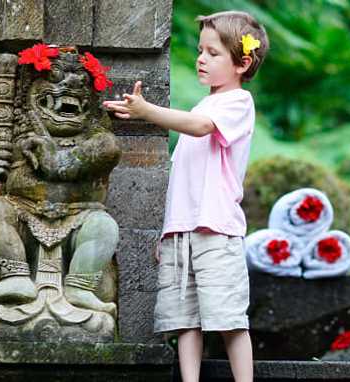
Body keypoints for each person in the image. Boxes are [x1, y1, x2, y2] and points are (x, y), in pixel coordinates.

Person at [103, 10, 268, 382]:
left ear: (243, 62)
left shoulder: (238, 102)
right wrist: (170, 231)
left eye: (213, 53)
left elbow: (200, 128)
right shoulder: (202, 105)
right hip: (184, 231)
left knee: (228, 318)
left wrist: (147, 111)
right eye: (200, 51)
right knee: (184, 319)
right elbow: (185, 183)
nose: (201, 59)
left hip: (216, 229)